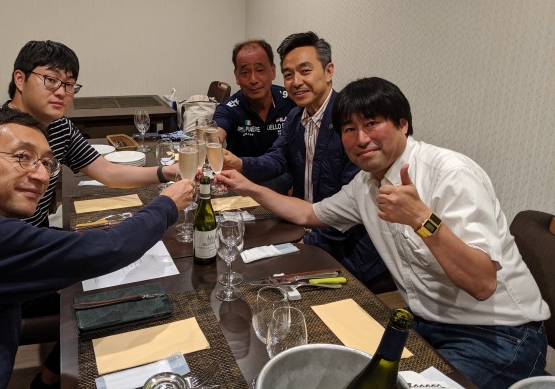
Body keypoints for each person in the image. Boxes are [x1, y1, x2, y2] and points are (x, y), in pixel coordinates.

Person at [216, 77, 549, 388]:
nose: (361, 139)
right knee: (333, 367)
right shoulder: (365, 184)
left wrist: (422, 219)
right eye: (350, 129)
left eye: (372, 123)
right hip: (423, 323)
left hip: (500, 336)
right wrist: (247, 186)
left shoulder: (451, 173)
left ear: (403, 124)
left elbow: (482, 283)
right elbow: (308, 213)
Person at [0, 107, 193, 389]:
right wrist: (167, 204)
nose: (41, 176)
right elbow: (112, 249)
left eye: (47, 163)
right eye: (22, 157)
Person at [223, 32, 390, 290]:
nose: (296, 82)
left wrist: (306, 245)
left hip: (349, 252)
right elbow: (276, 160)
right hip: (304, 228)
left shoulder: (350, 124)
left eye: (305, 71)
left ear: (329, 71)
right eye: (289, 75)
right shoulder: (295, 118)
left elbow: (351, 208)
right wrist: (240, 165)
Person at [5, 40, 178, 227]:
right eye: (51, 80)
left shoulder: (60, 127)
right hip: (4, 241)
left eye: (69, 84)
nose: (62, 92)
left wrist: (166, 172)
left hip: (39, 236)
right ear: (20, 79)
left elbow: (108, 172)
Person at [213, 39, 297, 194]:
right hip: (244, 181)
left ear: (273, 71)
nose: (253, 80)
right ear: (236, 76)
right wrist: (211, 144)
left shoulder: (292, 101)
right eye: (245, 72)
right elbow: (216, 133)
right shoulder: (229, 107)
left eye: (260, 70)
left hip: (284, 181)